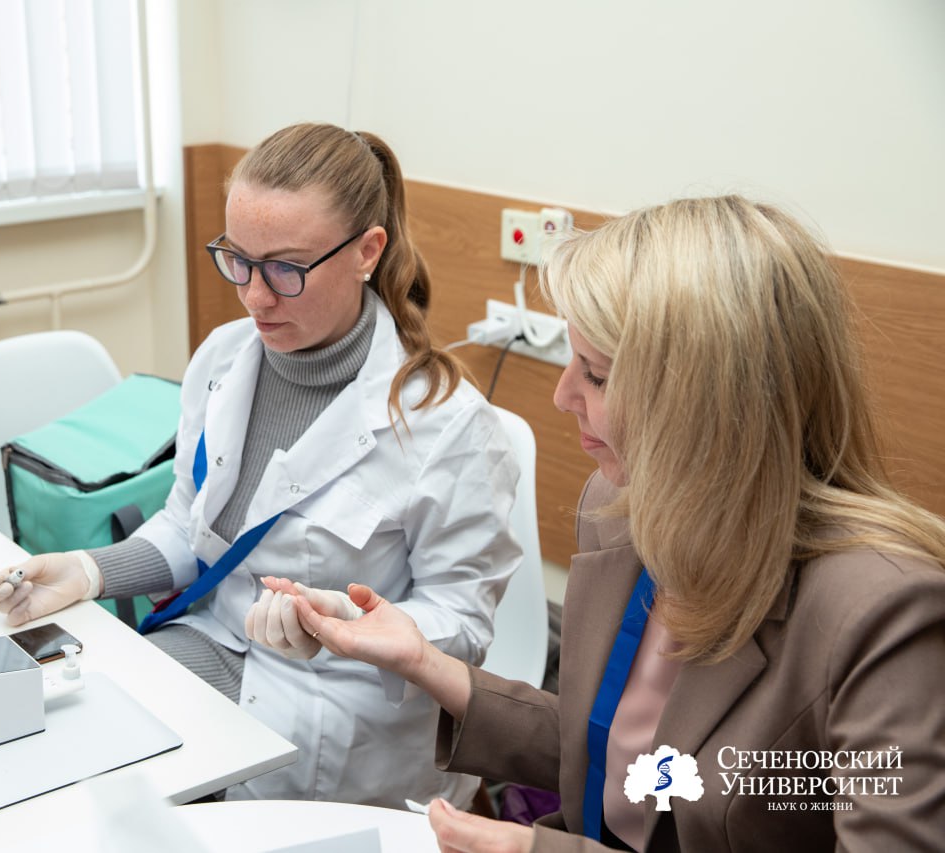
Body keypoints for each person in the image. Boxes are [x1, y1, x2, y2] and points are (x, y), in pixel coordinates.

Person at [290, 195, 945, 851]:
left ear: (711, 402)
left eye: (597, 376)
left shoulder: (882, 616)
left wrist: (540, 849)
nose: (562, 395)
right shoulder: (624, 509)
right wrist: (423, 661)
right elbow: (619, 753)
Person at [0, 122, 522, 808]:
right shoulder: (224, 357)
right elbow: (192, 526)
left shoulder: (450, 427)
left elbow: (462, 625)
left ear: (367, 251)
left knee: (114, 789)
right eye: (238, 260)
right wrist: (90, 570)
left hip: (341, 703)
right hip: (217, 643)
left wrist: (346, 623)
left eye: (286, 269)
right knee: (56, 757)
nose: (255, 296)